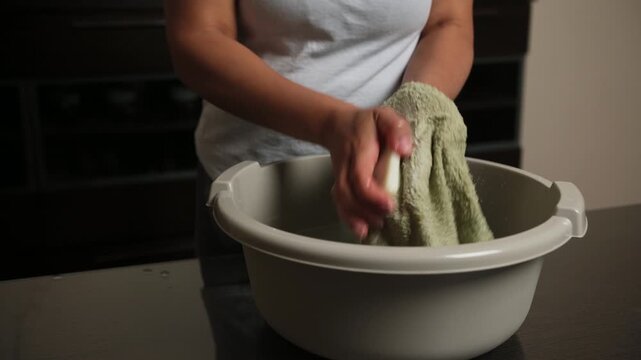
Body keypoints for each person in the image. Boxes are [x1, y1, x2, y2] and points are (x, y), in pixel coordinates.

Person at [165, 0, 474, 285]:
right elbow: (198, 35)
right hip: (253, 186)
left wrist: (403, 119)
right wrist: (330, 124)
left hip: (393, 185)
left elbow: (448, 23)